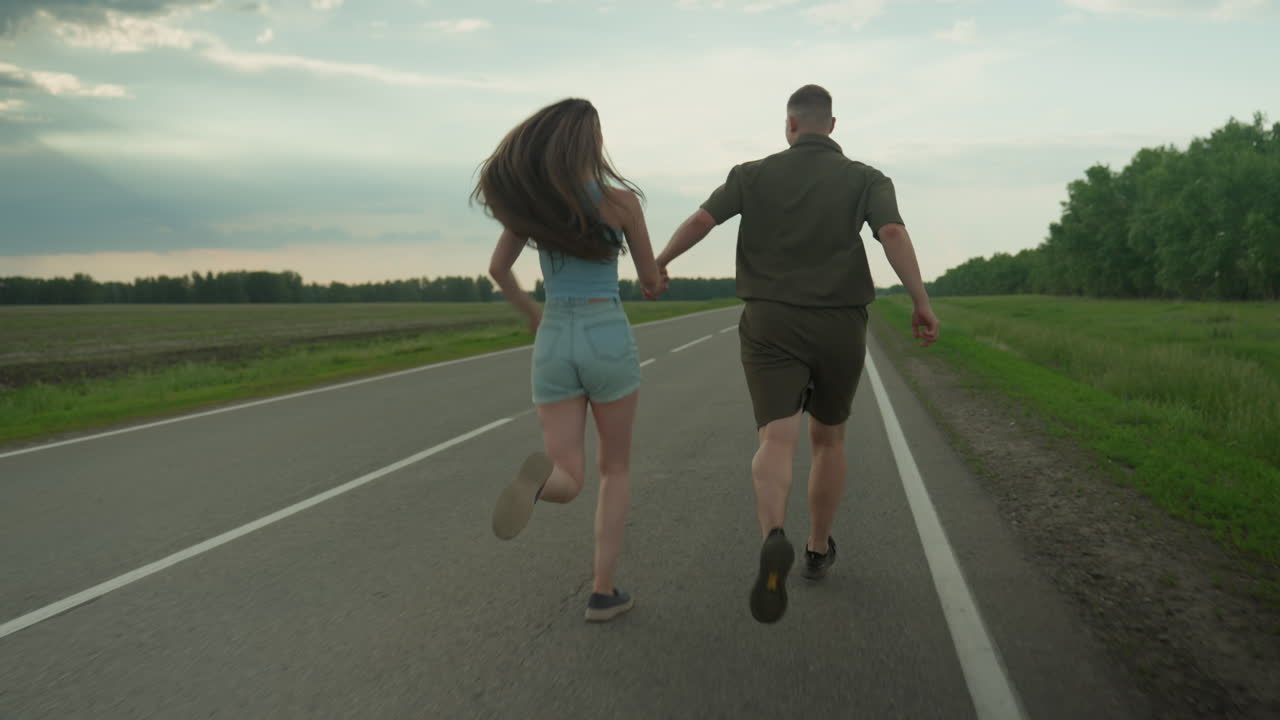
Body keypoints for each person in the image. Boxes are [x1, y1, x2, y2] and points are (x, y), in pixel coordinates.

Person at [654, 84, 940, 624]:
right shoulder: (866, 178)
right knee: (828, 438)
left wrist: (661, 261)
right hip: (839, 322)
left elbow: (700, 222)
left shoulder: (751, 174)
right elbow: (893, 231)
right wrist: (921, 302)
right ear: (831, 126)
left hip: (770, 321)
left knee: (776, 436)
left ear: (789, 125)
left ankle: (773, 533)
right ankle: (816, 547)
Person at [472, 98, 666, 623]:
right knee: (615, 469)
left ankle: (538, 483)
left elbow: (498, 268)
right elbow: (649, 281)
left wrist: (532, 314)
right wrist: (656, 279)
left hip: (554, 335)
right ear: (592, 144)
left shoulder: (537, 207)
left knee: (568, 474)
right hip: (606, 332)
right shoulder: (622, 204)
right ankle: (603, 593)